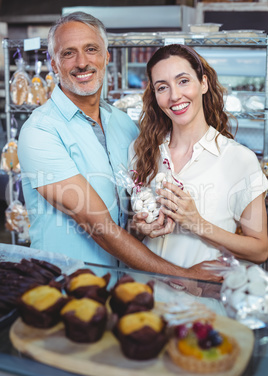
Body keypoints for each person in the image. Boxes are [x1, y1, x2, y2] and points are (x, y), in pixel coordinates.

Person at [17, 12, 219, 281]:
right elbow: (97, 225)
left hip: (125, 286)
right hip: (66, 290)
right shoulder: (40, 131)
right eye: (68, 53)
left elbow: (130, 207)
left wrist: (141, 223)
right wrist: (183, 276)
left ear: (106, 57)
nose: (82, 62)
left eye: (91, 49)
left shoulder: (124, 124)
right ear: (53, 64)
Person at [129, 44, 268, 268]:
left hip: (200, 300)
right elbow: (129, 236)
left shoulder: (239, 159)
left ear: (203, 83)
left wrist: (197, 223)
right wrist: (138, 229)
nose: (175, 96)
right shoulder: (140, 151)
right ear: (154, 95)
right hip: (143, 295)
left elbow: (260, 250)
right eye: (162, 87)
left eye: (183, 81)